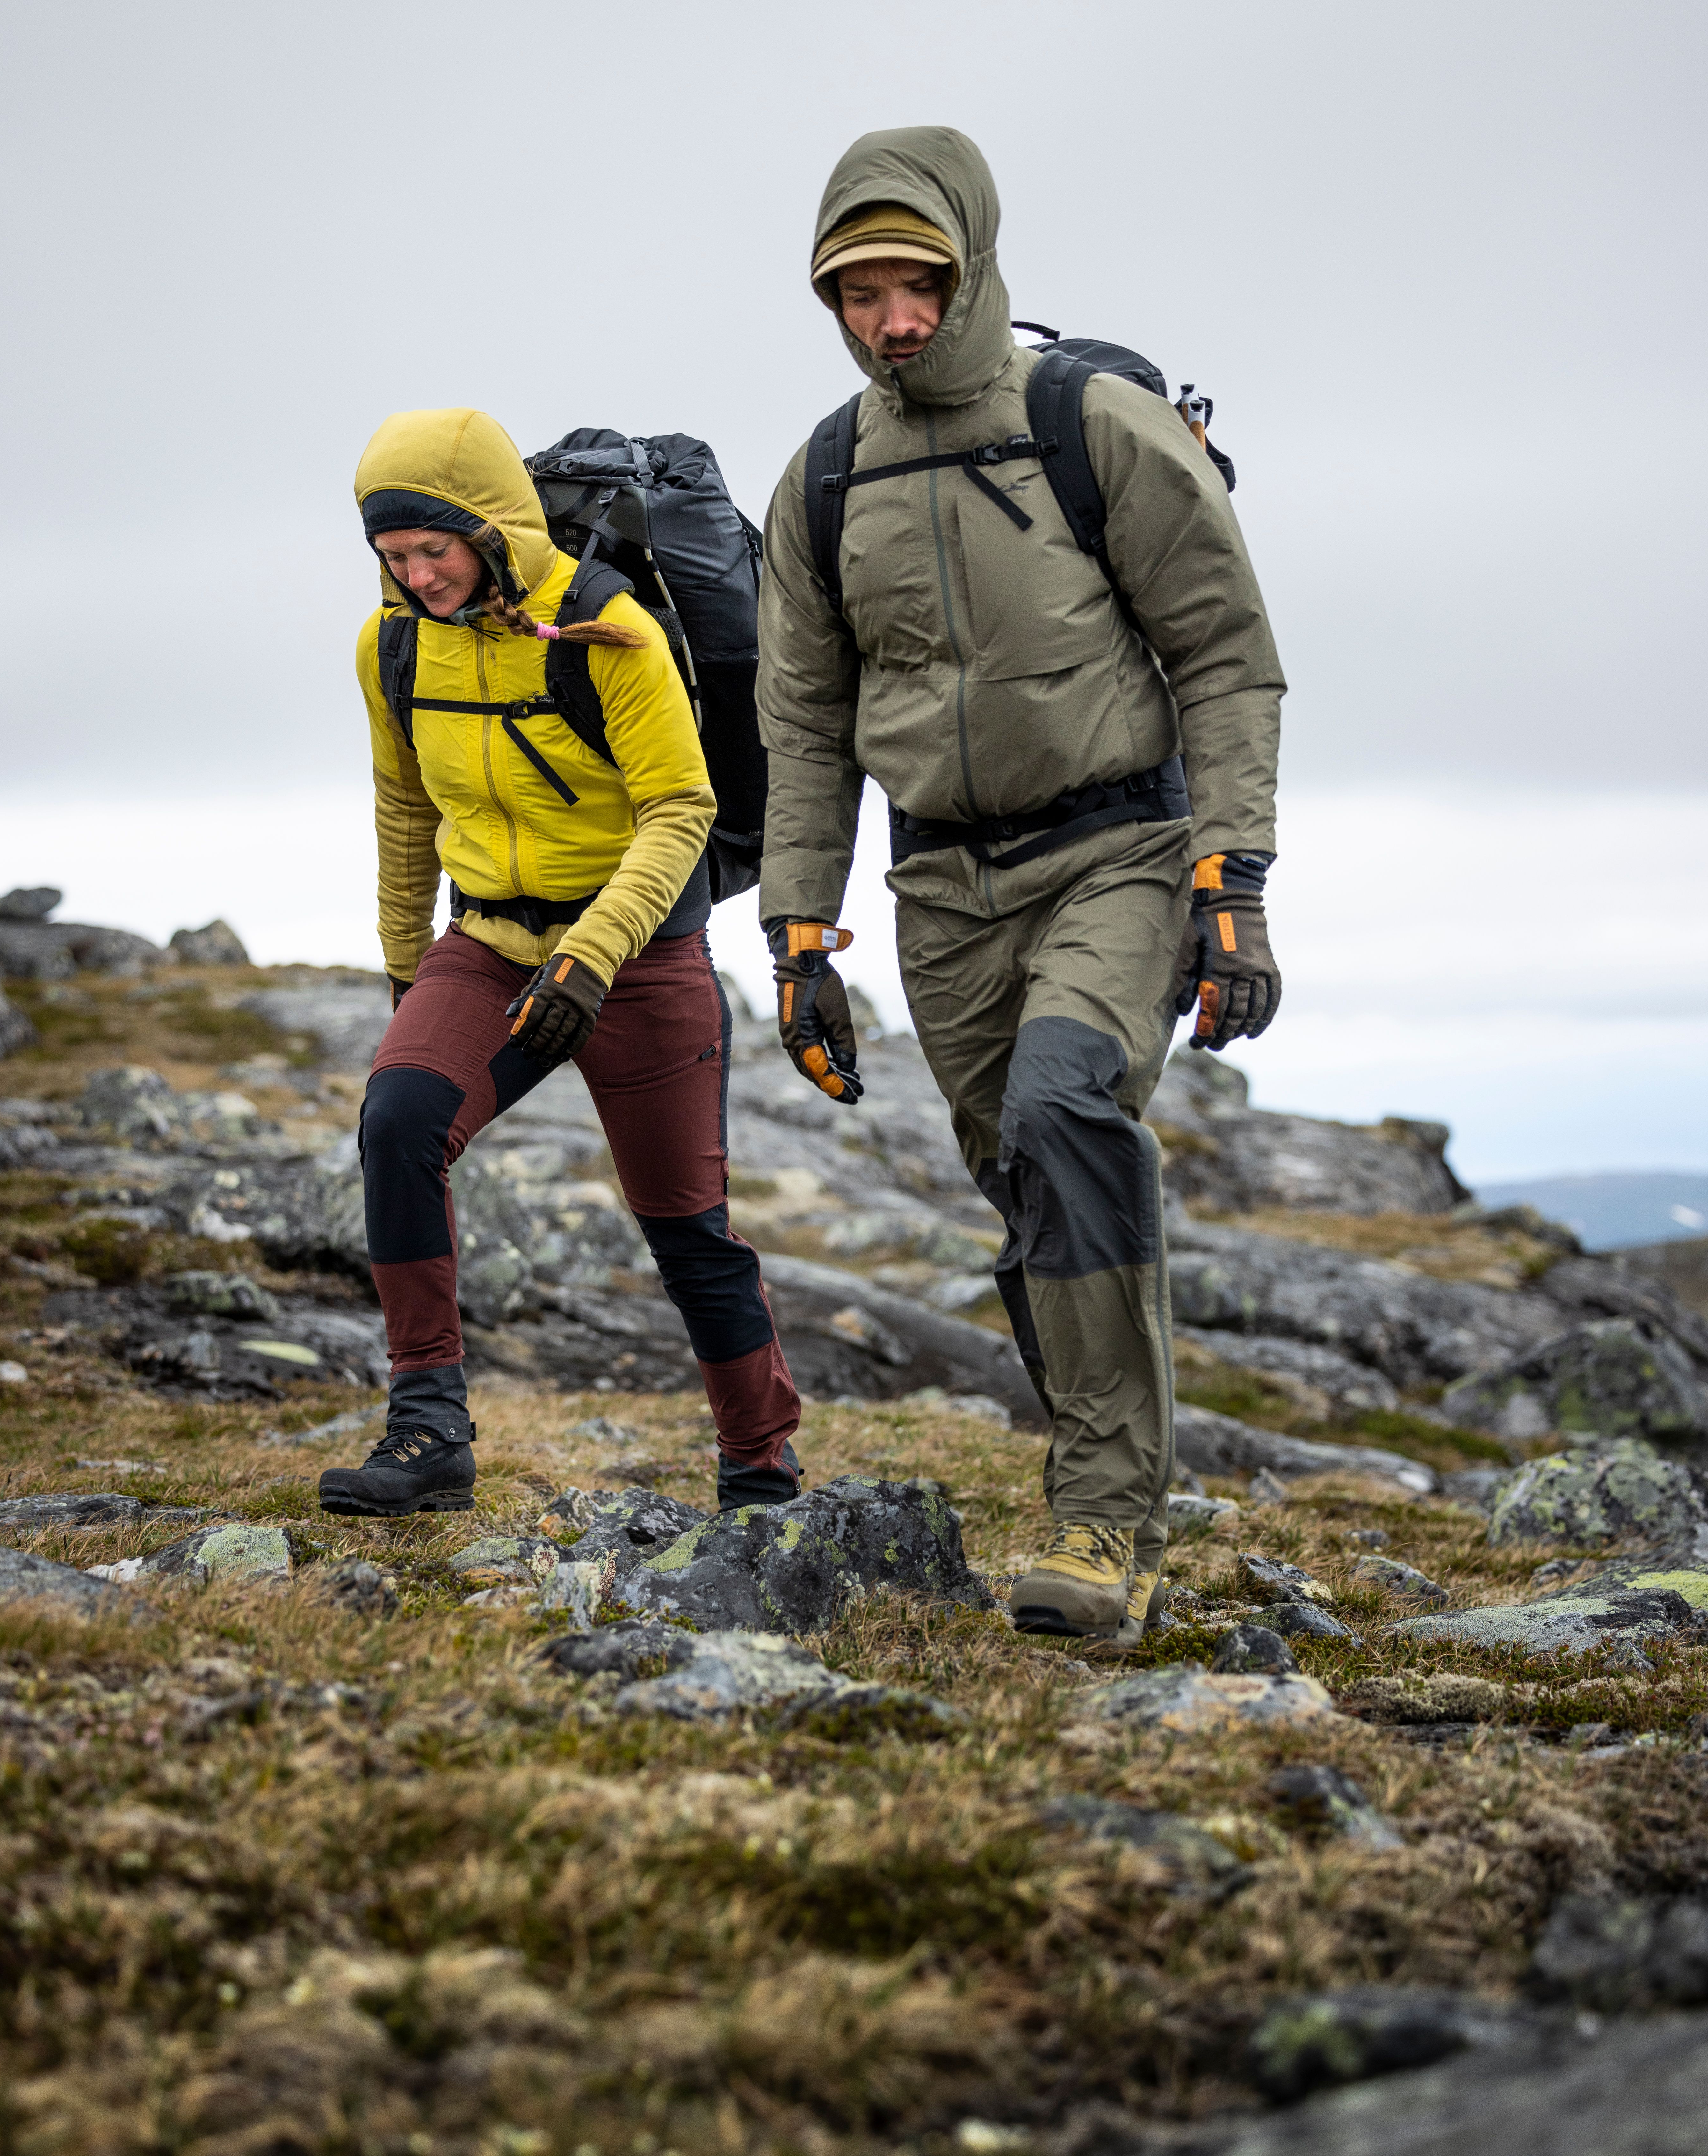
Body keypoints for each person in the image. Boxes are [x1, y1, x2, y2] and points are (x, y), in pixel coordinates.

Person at [756, 128, 1285, 1641]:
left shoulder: (1091, 422)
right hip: (943, 892)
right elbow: (801, 721)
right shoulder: (827, 475)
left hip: (1117, 849)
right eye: (857, 292)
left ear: (971, 263)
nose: (892, 318)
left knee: (1067, 1113)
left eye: (915, 282)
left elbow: (1226, 653)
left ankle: (1106, 1527)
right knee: (1027, 1192)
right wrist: (799, 938)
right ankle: (1097, 1472)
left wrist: (1228, 876)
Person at [319, 406, 801, 1517]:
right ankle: (428, 1429)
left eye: (433, 550)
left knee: (685, 1226)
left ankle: (762, 1465)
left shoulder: (610, 628)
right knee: (397, 1123)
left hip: (636, 951)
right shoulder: (389, 644)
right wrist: (407, 971)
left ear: (492, 528)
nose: (416, 576)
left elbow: (684, 808)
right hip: (487, 942)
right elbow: (404, 807)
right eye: (392, 557)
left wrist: (592, 958)